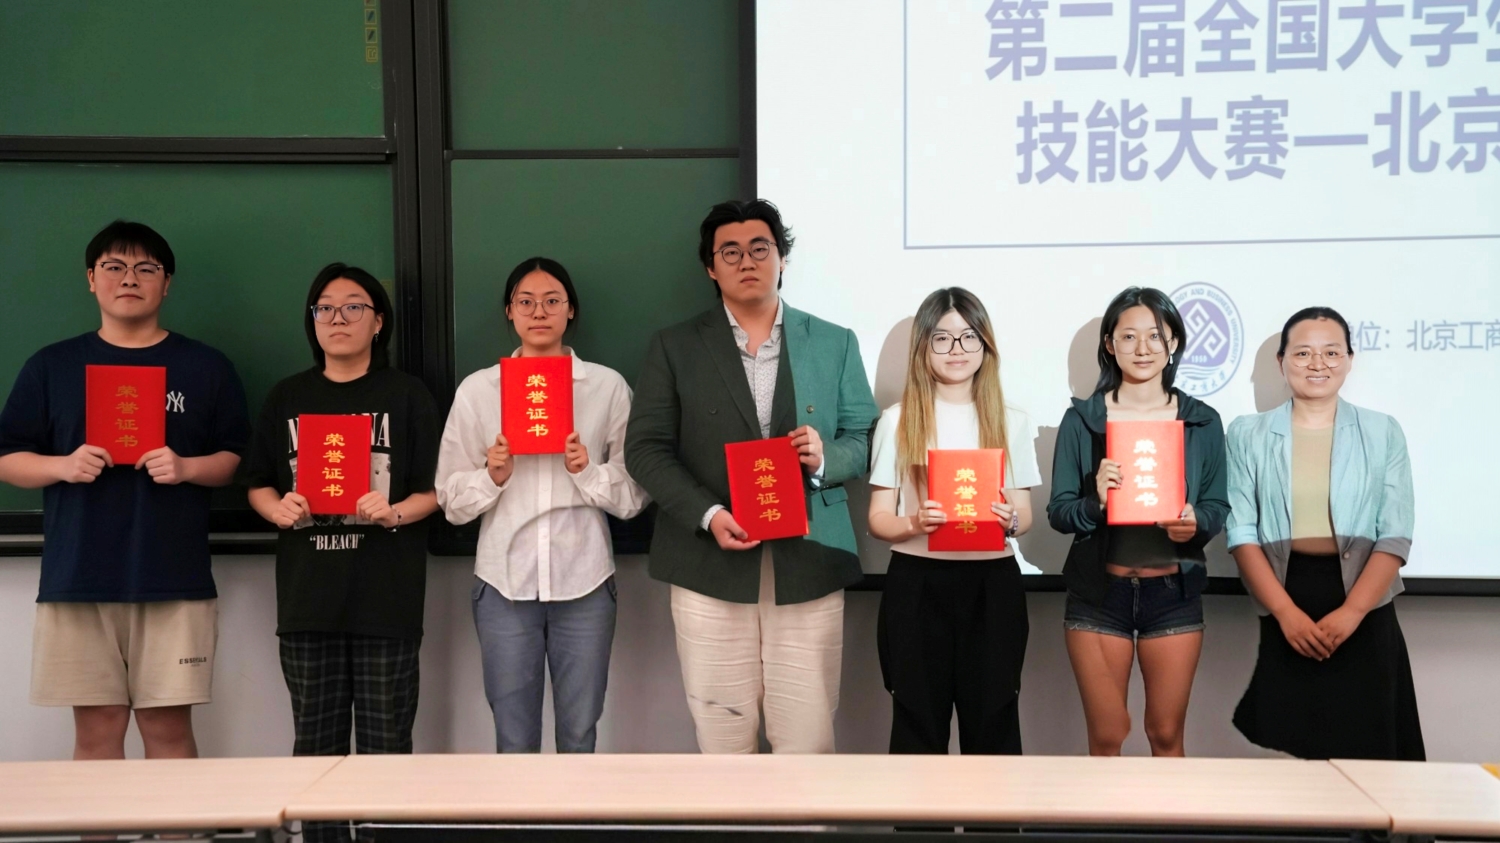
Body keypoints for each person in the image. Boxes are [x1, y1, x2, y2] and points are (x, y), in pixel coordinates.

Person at [625, 199, 878, 754]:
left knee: (807, 741)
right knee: (724, 741)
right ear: (710, 267)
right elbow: (644, 449)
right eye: (730, 252)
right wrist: (708, 514)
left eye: (760, 248)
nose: (747, 261)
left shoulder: (833, 341)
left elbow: (863, 437)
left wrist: (826, 457)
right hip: (709, 565)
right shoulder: (674, 346)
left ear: (782, 258)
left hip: (809, 561)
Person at [0, 220, 249, 760]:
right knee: (96, 732)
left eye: (146, 268)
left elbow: (233, 460)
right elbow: (8, 458)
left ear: (167, 283)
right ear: (91, 279)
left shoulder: (205, 366)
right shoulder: (51, 366)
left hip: (173, 577)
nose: (129, 278)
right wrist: (63, 465)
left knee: (168, 730)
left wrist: (186, 467)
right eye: (114, 267)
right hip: (78, 576)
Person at [240, 263, 440, 839]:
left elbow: (437, 490)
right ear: (312, 321)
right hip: (309, 601)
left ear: (378, 322)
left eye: (354, 306)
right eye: (325, 307)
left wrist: (394, 511)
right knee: (315, 754)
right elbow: (257, 482)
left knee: (386, 752)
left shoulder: (407, 395)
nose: (338, 318)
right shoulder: (288, 396)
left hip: (387, 601)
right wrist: (276, 509)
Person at [436, 257, 647, 753]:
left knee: (580, 735)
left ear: (570, 310)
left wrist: (587, 471)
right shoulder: (479, 390)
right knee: (513, 740)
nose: (539, 311)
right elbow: (450, 498)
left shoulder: (607, 387)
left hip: (585, 579)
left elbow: (636, 493)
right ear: (509, 311)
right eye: (526, 301)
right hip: (504, 582)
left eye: (552, 300)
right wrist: (492, 476)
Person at [1228, 307, 1424, 760]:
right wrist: (1285, 614)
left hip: (1366, 600)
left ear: (1350, 360)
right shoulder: (1247, 434)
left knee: (1373, 750)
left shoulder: (1382, 431)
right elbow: (1241, 532)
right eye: (1303, 353)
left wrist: (1353, 612)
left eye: (1332, 352)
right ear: (1281, 361)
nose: (1318, 363)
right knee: (1294, 754)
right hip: (1286, 596)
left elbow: (1395, 533)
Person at [1046, 287, 1228, 757]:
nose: (1143, 348)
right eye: (1128, 336)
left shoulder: (1202, 421)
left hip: (1171, 594)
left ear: (1174, 343)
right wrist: (1096, 501)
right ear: (1110, 344)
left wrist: (1196, 522)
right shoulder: (1082, 419)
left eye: (1155, 336)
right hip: (1098, 595)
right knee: (1107, 737)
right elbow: (1059, 512)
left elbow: (1217, 506)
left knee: (1166, 736)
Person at [866, 287, 1041, 755]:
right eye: (941, 339)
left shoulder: (1011, 420)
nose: (956, 349)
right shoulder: (898, 420)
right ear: (923, 347)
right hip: (917, 586)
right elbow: (878, 518)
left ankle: (995, 810)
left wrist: (1011, 520)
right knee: (917, 729)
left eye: (968, 337)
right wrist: (914, 522)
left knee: (995, 729)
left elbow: (1024, 514)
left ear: (985, 345)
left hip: (992, 586)